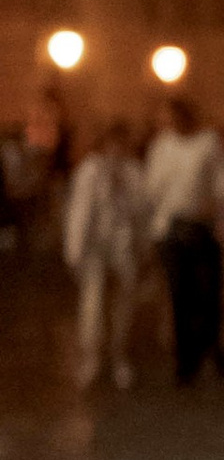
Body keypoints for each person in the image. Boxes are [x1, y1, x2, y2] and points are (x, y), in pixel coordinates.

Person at [144, 95, 224, 383]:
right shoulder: (161, 147)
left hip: (202, 227)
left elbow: (222, 184)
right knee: (179, 294)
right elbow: (152, 188)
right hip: (172, 228)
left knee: (207, 293)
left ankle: (211, 342)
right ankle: (186, 357)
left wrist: (222, 218)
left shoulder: (208, 143)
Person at [62, 117, 152, 391]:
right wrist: (74, 250)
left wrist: (144, 247)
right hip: (95, 249)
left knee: (123, 307)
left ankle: (119, 356)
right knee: (93, 305)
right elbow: (79, 212)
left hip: (122, 248)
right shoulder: (89, 171)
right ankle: (91, 359)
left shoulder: (134, 172)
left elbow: (142, 212)